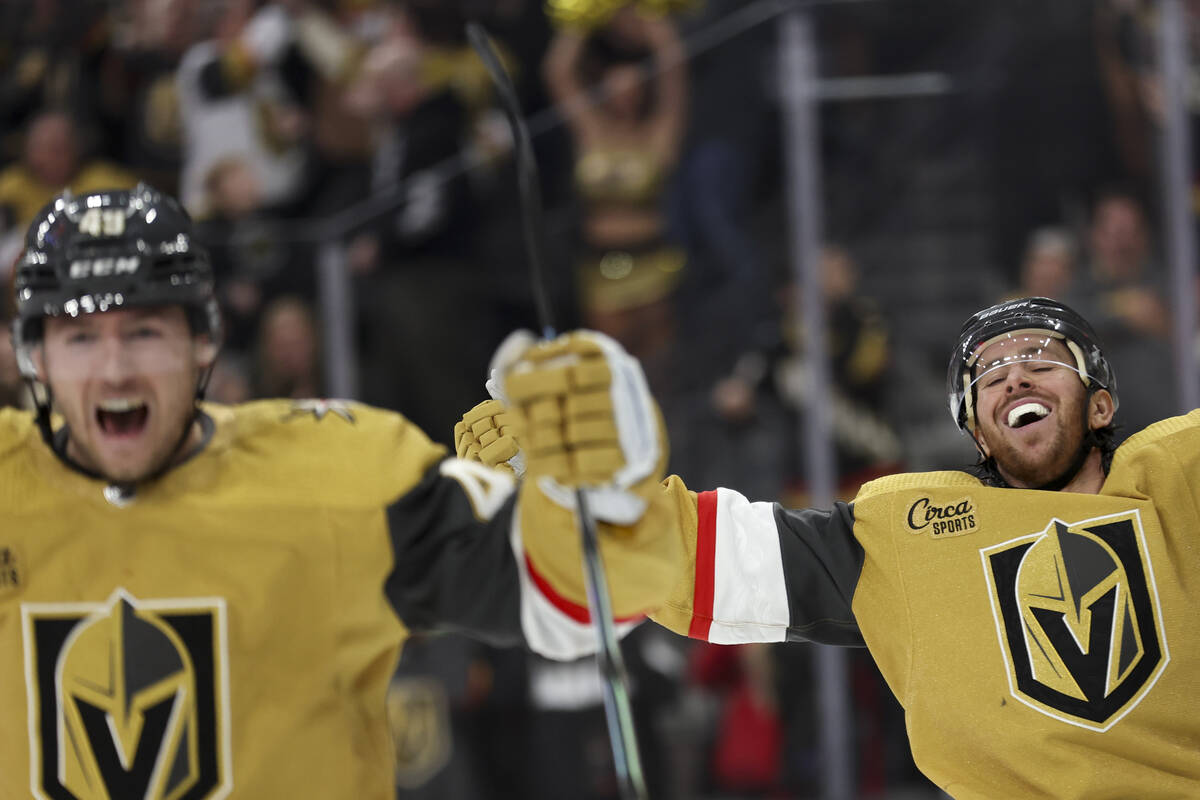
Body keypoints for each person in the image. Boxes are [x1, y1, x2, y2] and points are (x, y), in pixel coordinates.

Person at [0, 184, 680, 799]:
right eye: (81, 337)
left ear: (203, 340)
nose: (115, 370)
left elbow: (556, 595)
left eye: (144, 332)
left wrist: (591, 502)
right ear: (35, 357)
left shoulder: (334, 477)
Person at [459, 295, 1200, 798]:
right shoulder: (917, 535)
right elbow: (718, 559)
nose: (1013, 380)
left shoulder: (1179, 479)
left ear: (1101, 403)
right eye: (990, 379)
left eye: (1041, 364)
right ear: (975, 431)